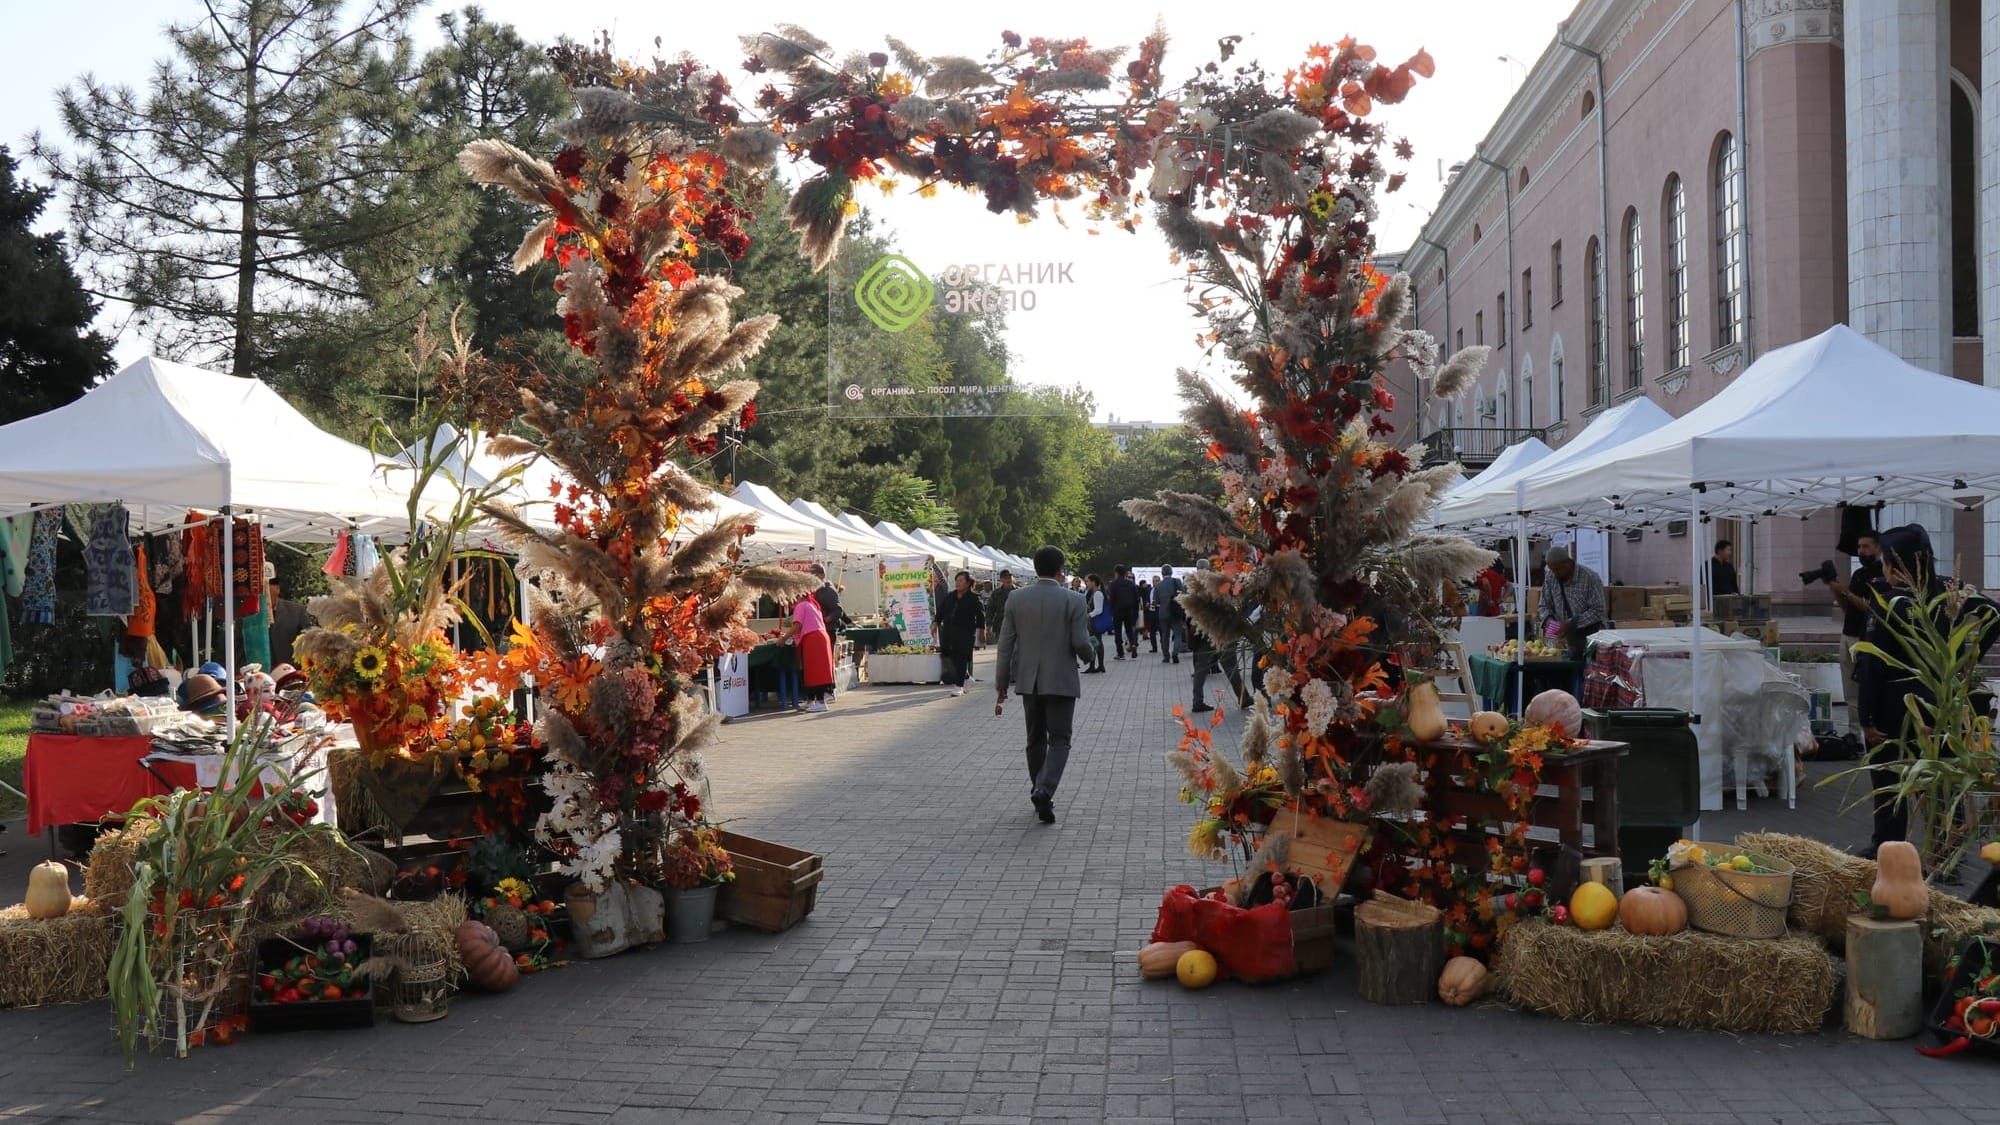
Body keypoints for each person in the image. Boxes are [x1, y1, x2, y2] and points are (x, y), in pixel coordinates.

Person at [1854, 524, 2000, 856]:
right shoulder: (1948, 590)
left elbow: (1871, 665)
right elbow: (1995, 613)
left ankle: (1889, 849)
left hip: (1894, 704)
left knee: (1890, 778)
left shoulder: (1889, 602)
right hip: (1940, 699)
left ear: (1894, 564)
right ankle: (1947, 847)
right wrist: (1966, 657)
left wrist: (1867, 717)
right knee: (1939, 776)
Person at [996, 545, 1094, 824]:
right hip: (1061, 680)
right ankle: (1045, 788)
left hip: (1029, 681)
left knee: (1034, 738)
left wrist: (1001, 684)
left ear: (1035, 568)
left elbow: (1005, 646)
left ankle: (1039, 788)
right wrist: (1091, 656)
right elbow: (1080, 642)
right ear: (1061, 570)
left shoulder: (1015, 598)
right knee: (1060, 739)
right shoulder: (1074, 600)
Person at [1828, 529, 1884, 745]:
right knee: (1849, 690)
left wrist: (1847, 592)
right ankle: (1854, 733)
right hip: (1847, 635)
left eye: (1866, 546)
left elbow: (1870, 608)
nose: (1861, 551)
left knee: (1865, 687)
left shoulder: (1881, 575)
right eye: (1859, 547)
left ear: (1878, 549)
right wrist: (1836, 590)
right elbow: (1848, 607)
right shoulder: (1858, 574)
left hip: (1866, 640)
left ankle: (1869, 731)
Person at [1537, 546, 1605, 662]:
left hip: (1588, 637)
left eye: (1558, 570)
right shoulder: (1550, 577)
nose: (1555, 573)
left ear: (1568, 563)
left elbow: (1598, 610)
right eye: (1552, 570)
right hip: (1562, 640)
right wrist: (1549, 621)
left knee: (1584, 672)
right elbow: (1544, 605)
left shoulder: (1590, 577)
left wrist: (1570, 623)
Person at [784, 591, 837, 713]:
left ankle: (820, 702)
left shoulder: (802, 605)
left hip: (813, 639)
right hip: (819, 637)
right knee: (813, 671)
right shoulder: (812, 604)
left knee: (815, 672)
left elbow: (797, 626)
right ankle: (811, 700)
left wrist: (783, 638)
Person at [936, 570, 986, 696]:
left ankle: (959, 686)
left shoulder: (974, 598)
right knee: (949, 656)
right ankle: (967, 677)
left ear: (968, 583)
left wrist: (982, 632)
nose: (958, 583)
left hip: (966, 632)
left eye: (961, 580)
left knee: (962, 657)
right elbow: (941, 611)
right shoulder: (950, 596)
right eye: (956, 580)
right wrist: (935, 623)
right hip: (948, 631)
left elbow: (981, 616)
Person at [266, 573, 308, 667]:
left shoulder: (297, 611)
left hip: (291, 672)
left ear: (277, 589)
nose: (265, 596)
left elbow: (307, 643)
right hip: (260, 675)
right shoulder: (250, 616)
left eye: (267, 589)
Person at [1107, 564, 1141, 660]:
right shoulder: (1130, 583)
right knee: (1129, 630)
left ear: (1116, 573)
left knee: (1117, 632)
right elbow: (1136, 597)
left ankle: (1120, 653)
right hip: (1129, 610)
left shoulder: (1113, 584)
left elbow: (1111, 598)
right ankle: (1133, 644)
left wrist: (1112, 608)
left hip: (1117, 610)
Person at [1154, 566, 1186, 664]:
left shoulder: (1158, 586)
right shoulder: (1177, 582)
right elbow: (1184, 594)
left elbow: (1156, 601)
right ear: (1171, 572)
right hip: (1175, 612)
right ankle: (1175, 652)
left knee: (1165, 635)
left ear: (1162, 573)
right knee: (1177, 634)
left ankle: (1166, 656)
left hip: (1163, 613)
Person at [1082, 573, 1109, 673]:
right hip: (1092, 623)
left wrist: (1088, 615)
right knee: (1094, 643)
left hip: (1095, 623)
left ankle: (1100, 665)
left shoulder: (1098, 593)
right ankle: (1093, 665)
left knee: (1096, 643)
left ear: (1093, 582)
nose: (1086, 583)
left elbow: (1099, 610)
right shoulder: (1091, 592)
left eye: (1087, 581)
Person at [986, 571, 1016, 646]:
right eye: (1006, 578)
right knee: (1003, 648)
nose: (1008, 579)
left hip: (1016, 625)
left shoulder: (1019, 592)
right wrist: (989, 625)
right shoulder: (996, 593)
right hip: (1000, 625)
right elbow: (990, 610)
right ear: (1001, 580)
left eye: (1010, 577)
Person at [1138, 579, 1157, 653]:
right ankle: (1154, 647)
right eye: (1155, 581)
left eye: (1157, 580)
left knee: (1162, 631)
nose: (1156, 582)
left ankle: (1164, 645)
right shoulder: (1149, 590)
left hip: (1159, 612)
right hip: (1150, 612)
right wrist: (1147, 603)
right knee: (1151, 630)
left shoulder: (1161, 589)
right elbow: (1146, 599)